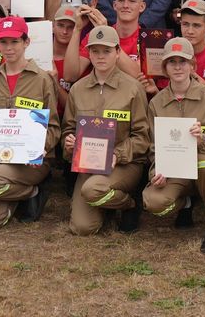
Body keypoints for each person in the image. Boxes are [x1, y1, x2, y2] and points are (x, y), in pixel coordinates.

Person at [142, 37, 205, 253]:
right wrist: (156, 171)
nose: (178, 67)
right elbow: (154, 148)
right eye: (172, 62)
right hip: (176, 171)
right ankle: (186, 203)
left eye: (183, 61)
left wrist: (204, 140)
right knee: (153, 201)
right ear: (164, 67)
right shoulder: (156, 103)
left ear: (193, 66)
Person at [60, 24, 150, 235]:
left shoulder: (133, 89)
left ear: (118, 52)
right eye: (95, 51)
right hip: (89, 164)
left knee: (92, 190)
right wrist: (69, 142)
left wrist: (117, 155)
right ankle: (110, 203)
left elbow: (142, 137)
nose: (101, 56)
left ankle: (129, 203)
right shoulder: (78, 89)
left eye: (107, 51)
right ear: (88, 53)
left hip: (123, 164)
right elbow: (68, 129)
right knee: (83, 228)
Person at [0, 17, 61, 228]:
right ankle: (29, 193)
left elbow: (54, 127)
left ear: (26, 42)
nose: (9, 47)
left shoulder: (42, 79)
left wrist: (40, 149)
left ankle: (34, 185)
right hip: (0, 159)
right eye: (3, 42)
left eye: (14, 41)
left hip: (31, 161)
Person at [63, 0, 149, 87]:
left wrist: (106, 34)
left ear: (142, 6)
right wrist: (77, 29)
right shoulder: (97, 34)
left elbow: (139, 77)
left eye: (132, 1)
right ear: (114, 5)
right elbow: (69, 76)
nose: (126, 5)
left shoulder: (148, 39)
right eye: (121, 0)